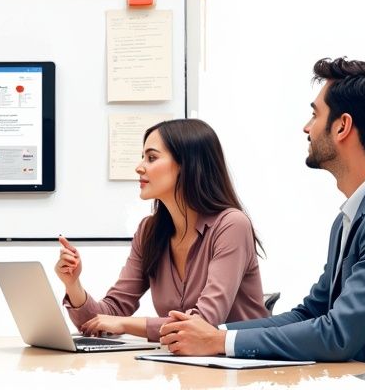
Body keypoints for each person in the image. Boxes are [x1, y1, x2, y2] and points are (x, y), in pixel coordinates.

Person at [160, 58, 365, 387]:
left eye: (315, 114)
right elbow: (311, 313)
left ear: (342, 126)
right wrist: (213, 333)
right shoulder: (356, 215)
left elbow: (337, 334)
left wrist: (218, 343)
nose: (306, 127)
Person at [55, 118, 267, 343]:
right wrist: (72, 284)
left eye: (152, 157)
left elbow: (204, 323)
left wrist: (126, 324)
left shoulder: (232, 225)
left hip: (241, 368)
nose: (139, 167)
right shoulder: (149, 232)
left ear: (187, 164)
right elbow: (103, 319)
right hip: (186, 366)